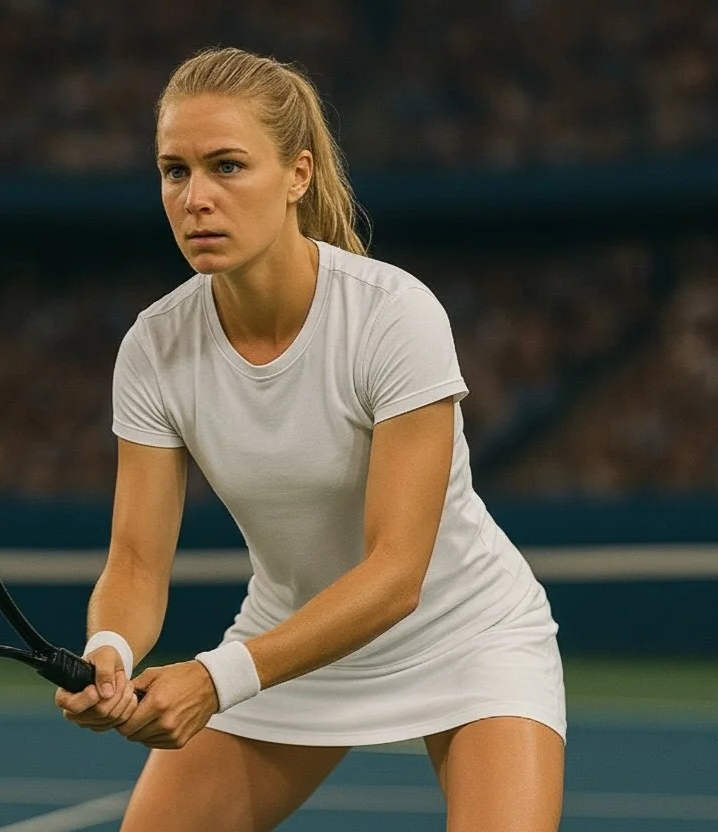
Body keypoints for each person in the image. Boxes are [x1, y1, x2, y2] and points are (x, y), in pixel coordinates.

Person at [54, 46, 566, 832]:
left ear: (296, 176)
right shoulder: (153, 348)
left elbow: (396, 574)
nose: (195, 199)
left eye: (227, 166)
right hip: (291, 639)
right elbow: (134, 562)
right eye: (174, 171)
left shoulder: (393, 316)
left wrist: (215, 679)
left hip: (465, 636)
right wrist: (111, 647)